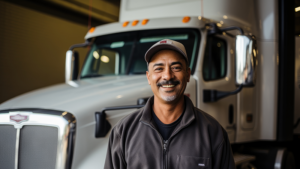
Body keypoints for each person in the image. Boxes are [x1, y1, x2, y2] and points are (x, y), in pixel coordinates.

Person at [104, 39, 235, 169]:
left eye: (176, 67)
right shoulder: (123, 132)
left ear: (188, 75)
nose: (167, 75)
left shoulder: (213, 132)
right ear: (149, 77)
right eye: (159, 68)